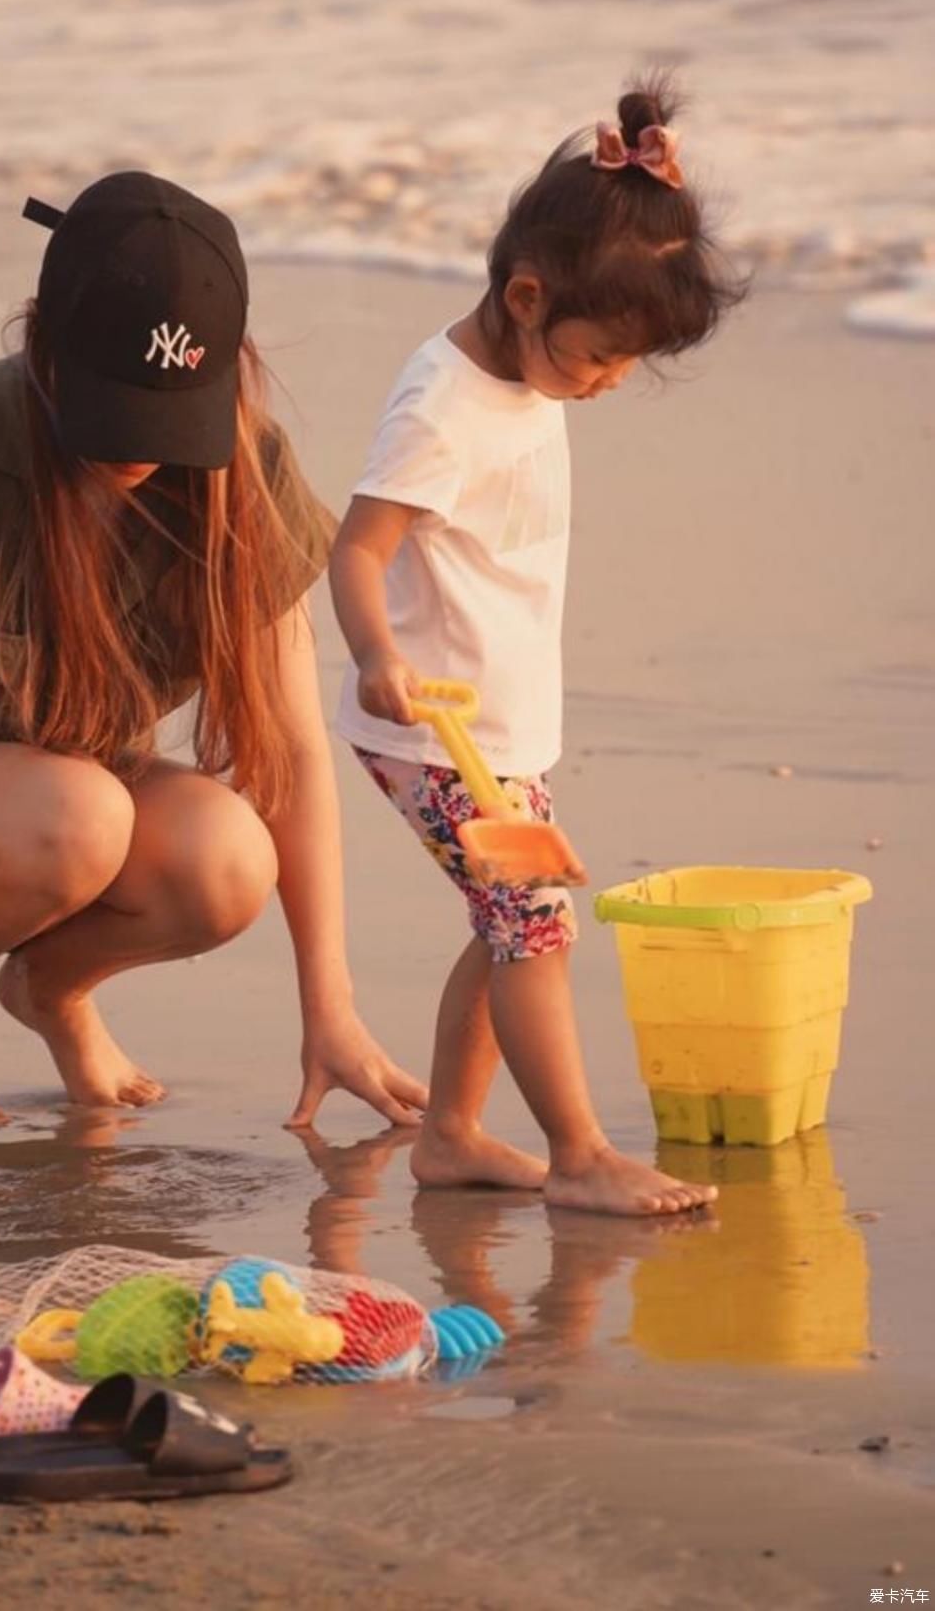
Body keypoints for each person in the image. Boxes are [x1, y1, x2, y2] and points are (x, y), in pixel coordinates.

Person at [0, 173, 427, 1135]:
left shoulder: (247, 471)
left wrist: (333, 1012)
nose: (140, 453)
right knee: (82, 818)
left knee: (228, 859)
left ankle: (51, 992)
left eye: (166, 418)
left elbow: (297, 755)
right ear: (44, 348)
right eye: (116, 412)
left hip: (58, 784)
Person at [329, 78, 743, 1215]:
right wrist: (376, 655)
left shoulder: (528, 367)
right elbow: (355, 551)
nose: (606, 385)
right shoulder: (441, 407)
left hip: (502, 728)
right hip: (434, 726)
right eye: (600, 359)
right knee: (535, 922)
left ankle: (453, 1134)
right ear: (524, 297)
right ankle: (577, 1153)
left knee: (509, 922)